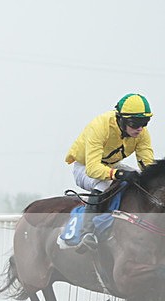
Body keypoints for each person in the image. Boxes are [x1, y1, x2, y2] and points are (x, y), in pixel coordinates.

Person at [65, 93, 154, 251]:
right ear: (121, 119)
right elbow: (93, 168)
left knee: (140, 179)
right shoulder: (100, 126)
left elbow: (147, 164)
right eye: (135, 123)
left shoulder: (142, 134)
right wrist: (118, 174)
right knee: (105, 181)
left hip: (111, 165)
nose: (140, 128)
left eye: (144, 122)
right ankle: (87, 232)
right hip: (84, 167)